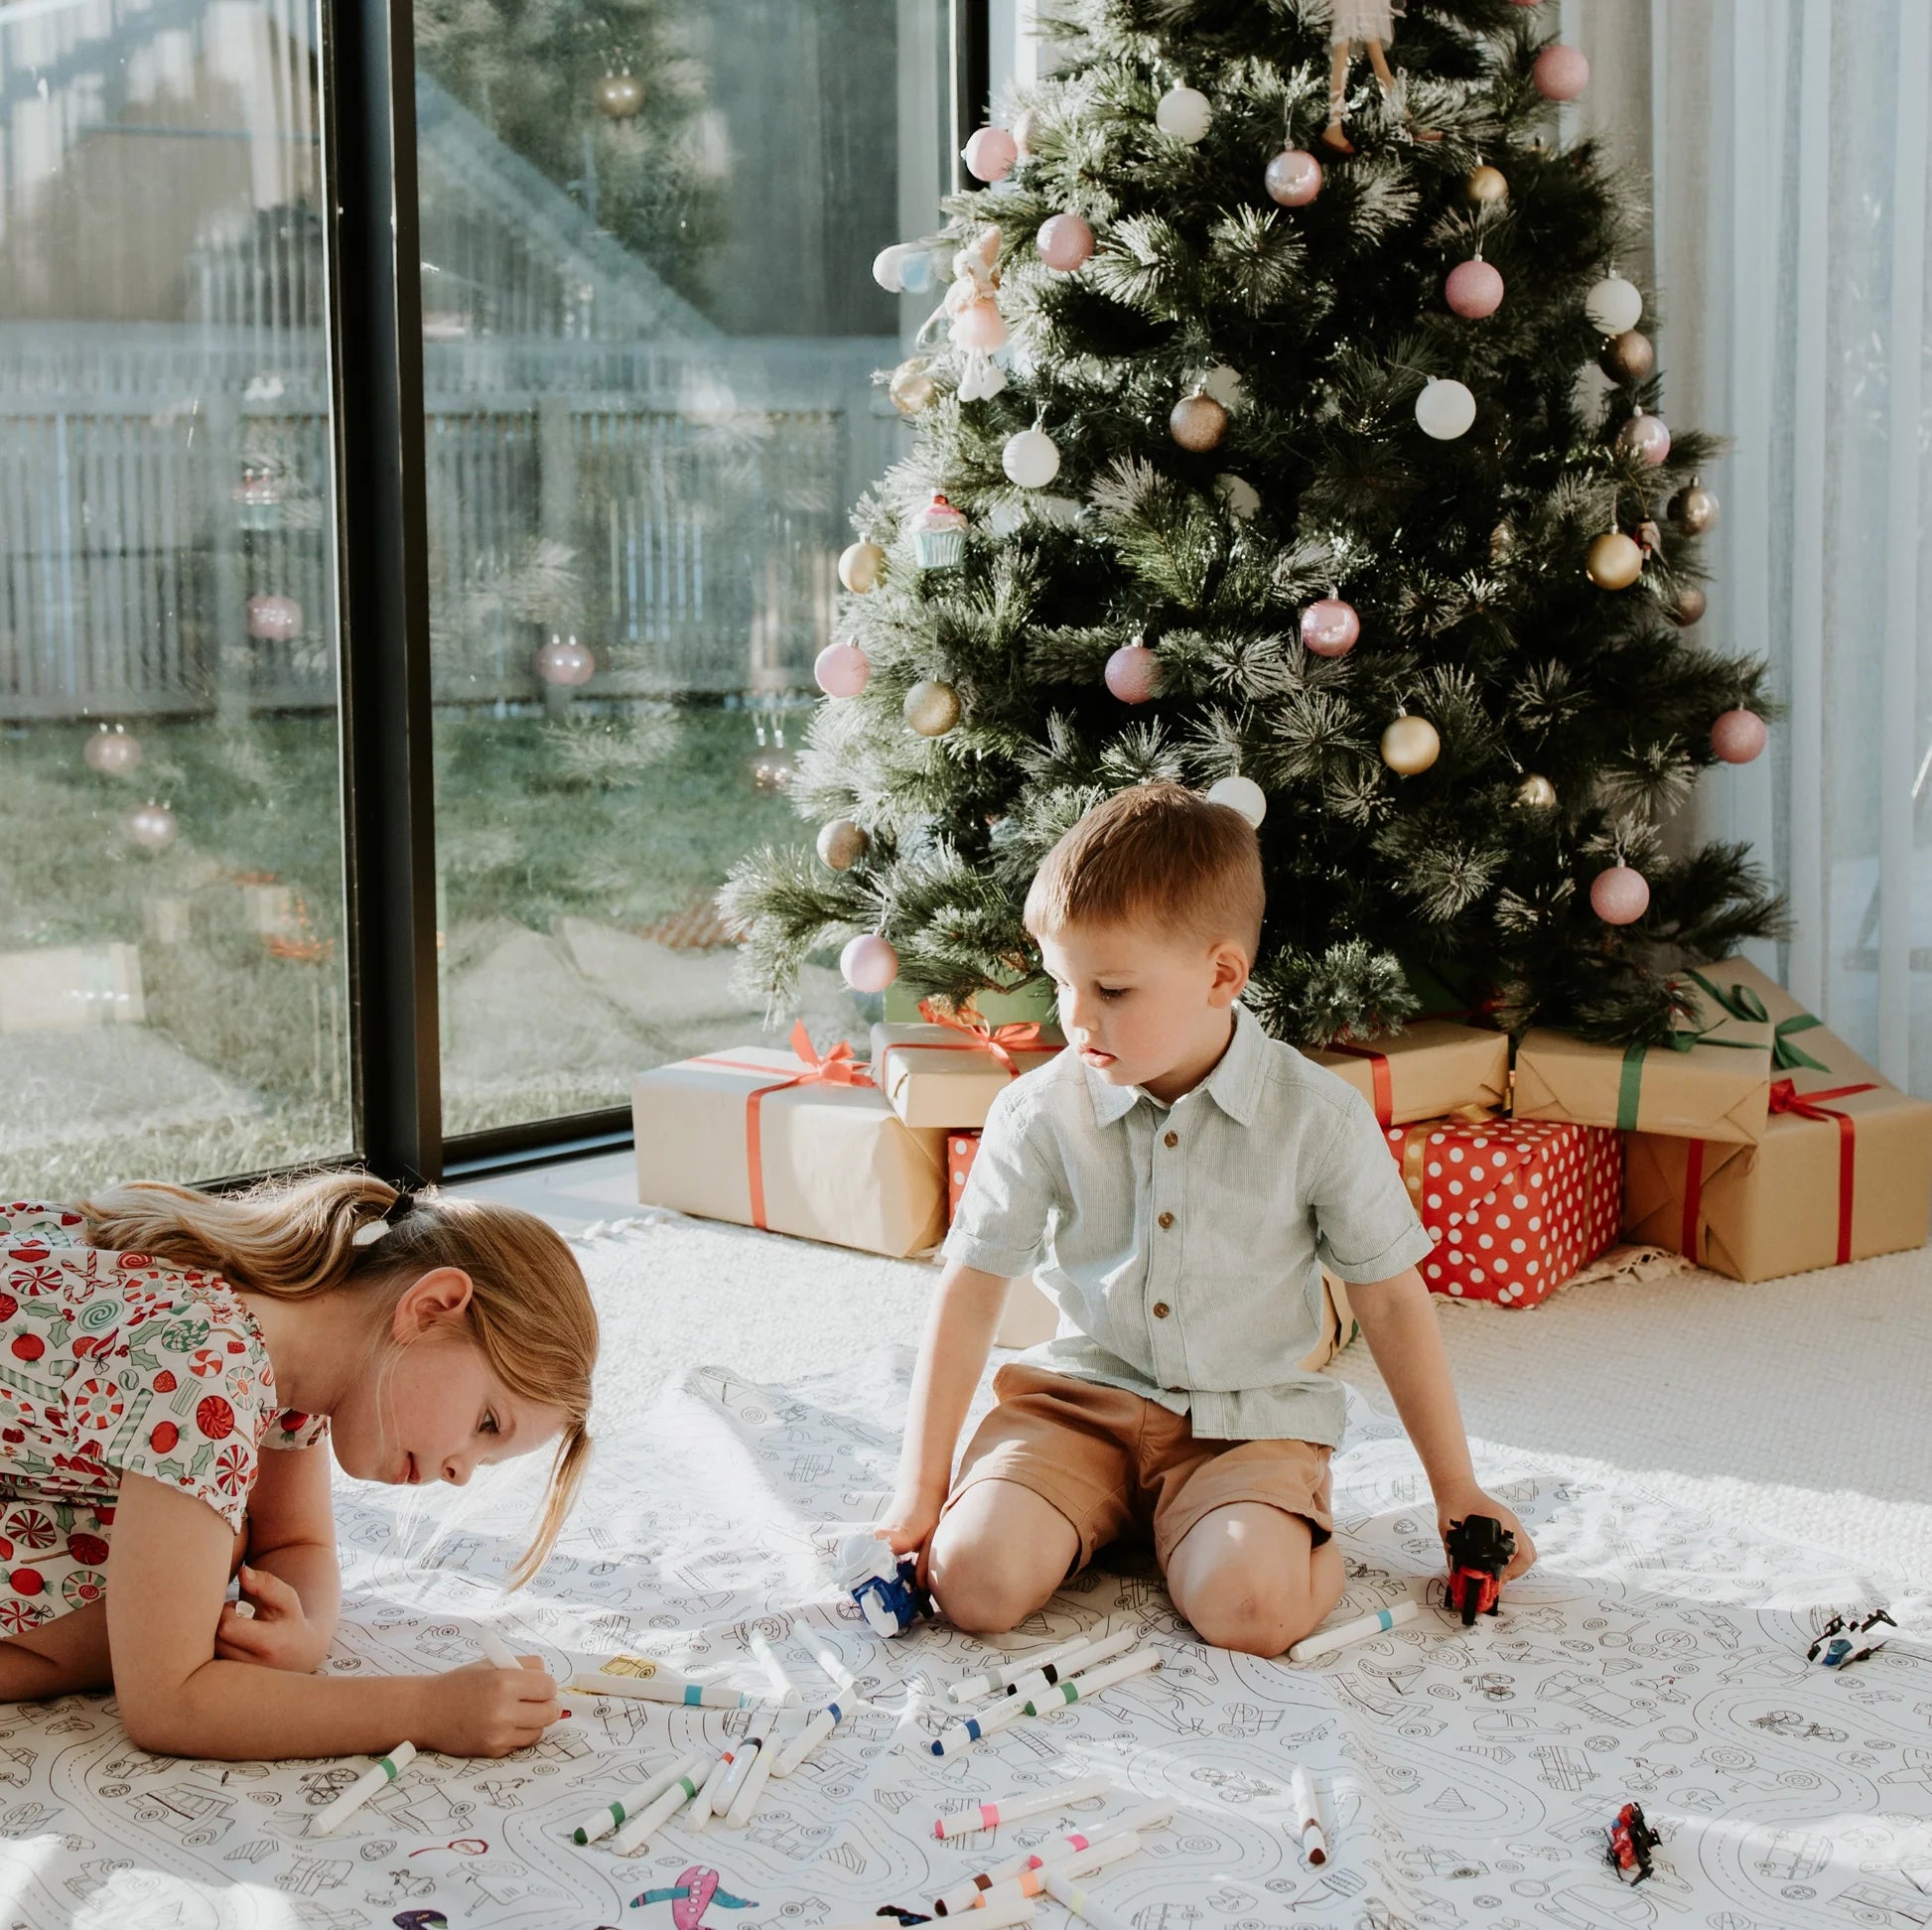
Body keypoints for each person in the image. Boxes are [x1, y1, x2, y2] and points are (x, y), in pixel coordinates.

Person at [879, 782, 1534, 1656]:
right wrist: (918, 1495)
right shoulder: (1038, 1112)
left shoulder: (1317, 1115)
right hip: (1078, 1408)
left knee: (1249, 1613)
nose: (1075, 1019)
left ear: (1222, 975)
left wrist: (1458, 1488)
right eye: (1061, 983)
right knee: (973, 1586)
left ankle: (1246, 1529)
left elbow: (1390, 1300)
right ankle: (1110, 1517)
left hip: (1248, 1421)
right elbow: (970, 1293)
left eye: (1111, 988)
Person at [0, 1172, 595, 1759]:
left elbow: (297, 1540)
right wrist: (429, 1711)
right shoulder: (210, 1369)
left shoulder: (298, 1336)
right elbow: (168, 1704)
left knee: (208, 1553)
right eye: (486, 1424)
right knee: (154, 1616)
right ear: (430, 1308)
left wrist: (305, 1636)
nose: (461, 1472)